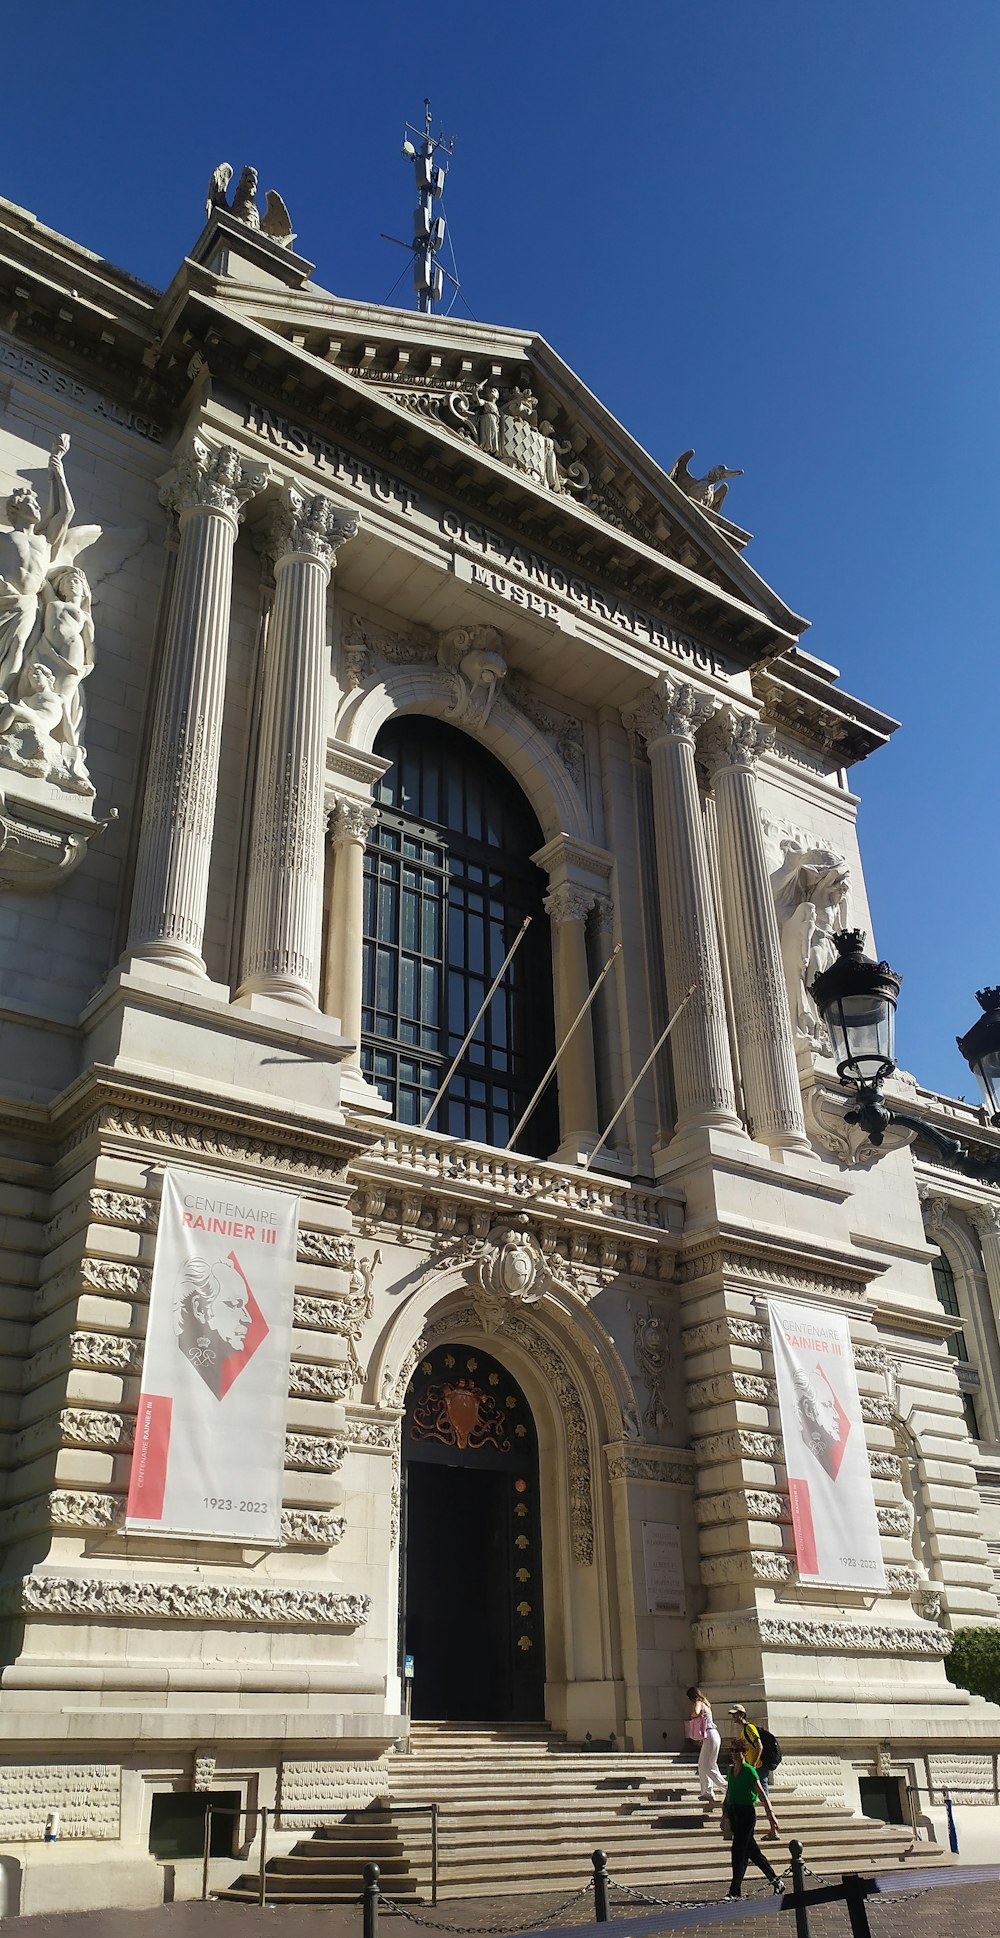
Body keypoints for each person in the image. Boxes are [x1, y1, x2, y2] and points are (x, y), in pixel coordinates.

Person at [722, 1741, 781, 1899]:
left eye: (738, 1750)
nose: (734, 1753)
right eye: (732, 1750)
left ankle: (735, 1891)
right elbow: (729, 1792)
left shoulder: (749, 1771)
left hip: (747, 1814)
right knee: (753, 1853)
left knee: (738, 1852)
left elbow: (762, 1794)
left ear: (744, 1752)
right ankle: (776, 1882)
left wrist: (771, 1817)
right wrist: (724, 1812)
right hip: (734, 1813)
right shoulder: (730, 1770)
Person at [686, 1686, 727, 1804]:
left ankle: (726, 1788)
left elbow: (696, 1713)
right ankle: (707, 1792)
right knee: (706, 1765)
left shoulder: (698, 1702)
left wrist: (693, 1712)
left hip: (709, 1735)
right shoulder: (706, 1704)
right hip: (712, 1735)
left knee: (707, 1766)